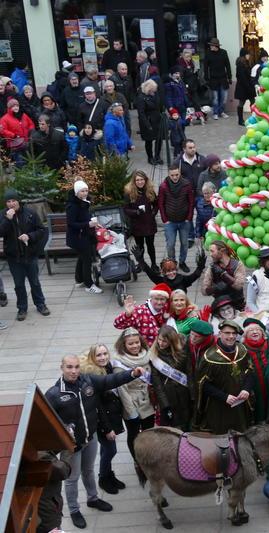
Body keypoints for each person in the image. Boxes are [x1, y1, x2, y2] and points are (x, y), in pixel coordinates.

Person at [45, 355, 144, 529]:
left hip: (91, 438)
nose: (74, 371)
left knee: (89, 471)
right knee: (71, 479)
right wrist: (64, 429)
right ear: (62, 368)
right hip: (71, 446)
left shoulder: (88, 381)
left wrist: (132, 374)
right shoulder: (54, 394)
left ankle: (93, 498)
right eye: (69, 367)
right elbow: (47, 421)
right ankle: (74, 510)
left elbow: (110, 380)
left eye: (76, 367)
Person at [79, 344, 125, 496]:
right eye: (98, 355)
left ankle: (109, 474)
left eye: (105, 353)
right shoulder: (93, 377)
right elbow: (97, 406)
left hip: (111, 416)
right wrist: (107, 429)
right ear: (92, 357)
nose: (103, 357)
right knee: (110, 450)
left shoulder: (108, 367)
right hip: (101, 422)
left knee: (108, 449)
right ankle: (103, 478)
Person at [193, 319, 254, 432]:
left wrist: (246, 389)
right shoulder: (209, 357)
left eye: (234, 333)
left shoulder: (242, 350)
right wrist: (224, 397)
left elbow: (250, 372)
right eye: (227, 333)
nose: (231, 336)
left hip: (240, 403)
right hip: (219, 406)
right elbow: (203, 385)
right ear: (220, 334)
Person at [0, 188, 49, 322]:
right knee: (19, 284)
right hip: (13, 257)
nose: (11, 204)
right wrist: (8, 220)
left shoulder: (30, 213)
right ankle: (22, 308)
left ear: (18, 201)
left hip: (30, 254)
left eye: (13, 200)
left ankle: (40, 304)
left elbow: (41, 230)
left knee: (34, 282)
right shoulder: (3, 215)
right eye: (8, 201)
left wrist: (29, 236)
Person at [111, 327, 155, 469]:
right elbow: (122, 390)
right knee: (134, 435)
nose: (135, 346)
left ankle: (148, 456)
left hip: (148, 401)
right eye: (130, 344)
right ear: (124, 345)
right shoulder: (120, 363)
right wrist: (131, 412)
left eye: (137, 342)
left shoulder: (146, 355)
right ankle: (138, 461)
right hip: (132, 403)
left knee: (149, 432)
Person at [66, 180, 102, 295]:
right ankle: (89, 284)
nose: (85, 193)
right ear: (77, 192)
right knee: (87, 260)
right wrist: (87, 224)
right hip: (78, 237)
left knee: (82, 258)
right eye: (82, 191)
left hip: (84, 235)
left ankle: (79, 279)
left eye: (86, 190)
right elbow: (71, 223)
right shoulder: (73, 206)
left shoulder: (83, 202)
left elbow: (85, 217)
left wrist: (94, 223)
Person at [158, 163, 194, 272]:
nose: (175, 177)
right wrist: (165, 220)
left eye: (177, 175)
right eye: (172, 175)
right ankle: (172, 263)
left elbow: (191, 202)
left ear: (180, 174)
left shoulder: (187, 185)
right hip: (170, 222)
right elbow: (160, 203)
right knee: (170, 244)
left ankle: (182, 262)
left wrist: (189, 218)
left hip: (184, 221)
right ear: (169, 174)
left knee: (184, 243)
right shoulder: (163, 186)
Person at [121, 170, 158, 266]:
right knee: (140, 246)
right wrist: (136, 212)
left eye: (142, 179)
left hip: (149, 223)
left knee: (151, 246)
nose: (140, 182)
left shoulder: (149, 190)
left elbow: (156, 204)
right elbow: (126, 209)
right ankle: (141, 265)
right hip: (137, 224)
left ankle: (154, 264)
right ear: (134, 181)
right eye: (137, 180)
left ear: (145, 180)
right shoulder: (129, 193)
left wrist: (153, 213)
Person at [202, 240, 247, 309]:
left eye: (212, 251)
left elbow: (238, 285)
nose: (210, 254)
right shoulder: (212, 267)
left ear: (222, 251)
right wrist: (215, 288)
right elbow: (204, 291)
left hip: (237, 305)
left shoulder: (237, 265)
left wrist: (223, 274)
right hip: (220, 306)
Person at [135, 79, 164, 165]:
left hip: (157, 120)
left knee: (159, 139)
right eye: (152, 90)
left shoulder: (155, 94)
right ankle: (150, 157)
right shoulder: (141, 98)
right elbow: (141, 113)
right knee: (149, 140)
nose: (154, 91)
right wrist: (147, 125)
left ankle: (157, 156)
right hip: (148, 121)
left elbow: (159, 105)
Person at [0, 98, 34, 165]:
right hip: (15, 145)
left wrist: (31, 131)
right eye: (13, 106)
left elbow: (31, 124)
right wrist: (13, 135)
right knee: (20, 163)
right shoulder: (4, 119)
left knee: (28, 162)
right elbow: (2, 130)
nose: (16, 107)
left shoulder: (23, 115)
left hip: (26, 142)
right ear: (9, 108)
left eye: (17, 106)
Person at [205, 38, 232, 120]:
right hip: (213, 79)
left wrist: (229, 77)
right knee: (215, 98)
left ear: (216, 46)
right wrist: (206, 78)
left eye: (211, 45)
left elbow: (227, 65)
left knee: (224, 98)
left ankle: (222, 112)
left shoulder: (223, 52)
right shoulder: (208, 53)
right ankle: (215, 113)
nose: (210, 47)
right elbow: (206, 67)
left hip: (223, 78)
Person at [233, 49, 254, 126]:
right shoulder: (241, 64)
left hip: (247, 87)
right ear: (244, 55)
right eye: (248, 54)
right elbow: (242, 77)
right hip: (243, 87)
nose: (249, 56)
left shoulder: (246, 63)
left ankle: (253, 117)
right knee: (242, 103)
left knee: (253, 102)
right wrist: (248, 86)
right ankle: (240, 120)